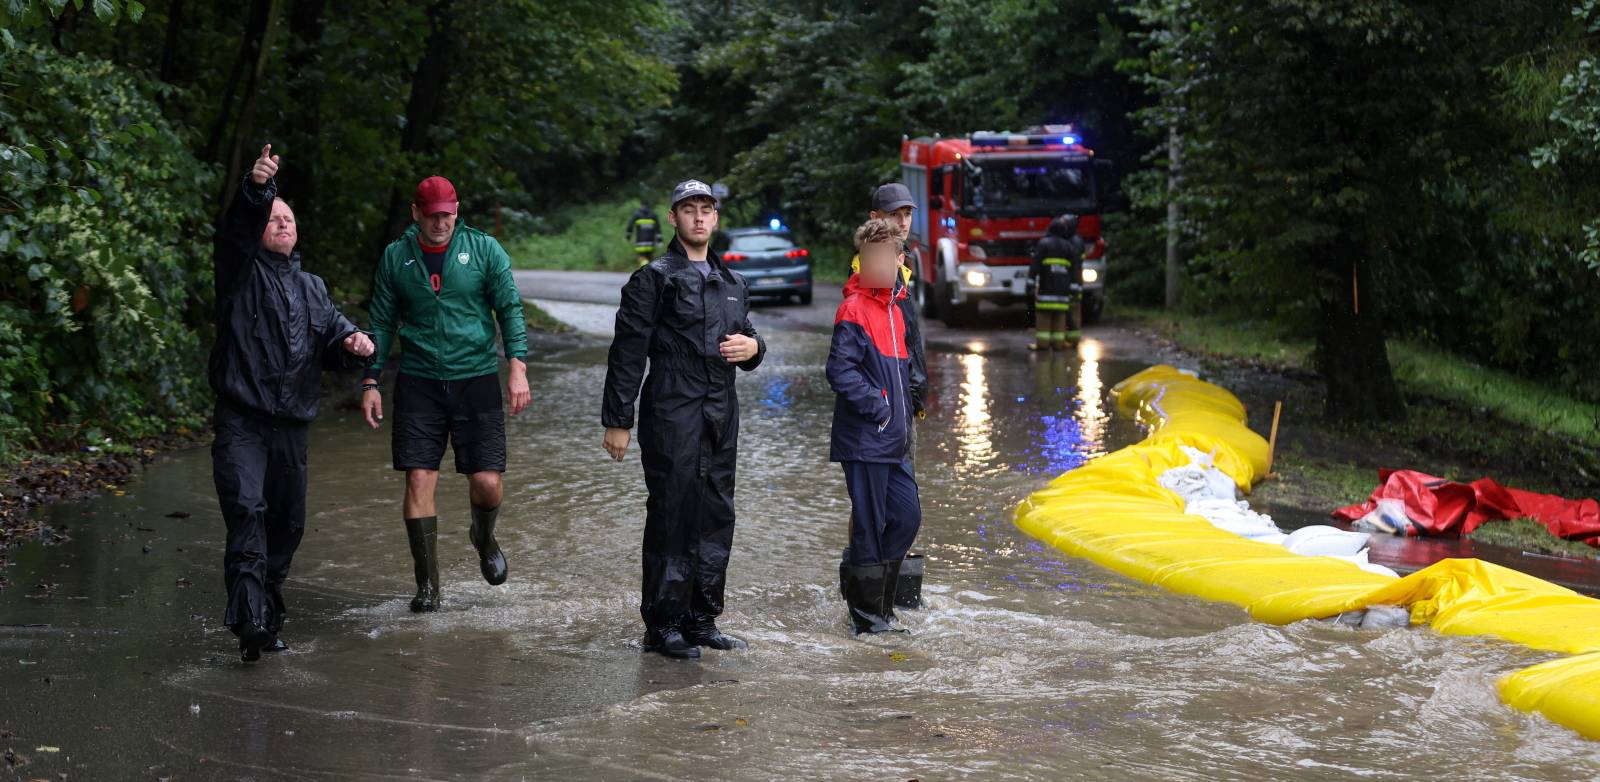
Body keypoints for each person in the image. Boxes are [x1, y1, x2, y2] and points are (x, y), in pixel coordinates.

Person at [210, 144, 375, 661]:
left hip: (293, 428)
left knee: (287, 523)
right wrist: (258, 190)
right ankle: (250, 620)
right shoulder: (238, 271)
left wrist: (354, 346)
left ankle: (269, 615)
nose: (282, 222)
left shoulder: (313, 287)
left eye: (288, 217)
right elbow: (237, 229)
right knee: (248, 511)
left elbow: (332, 338)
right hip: (242, 420)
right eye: (273, 216)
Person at [601, 179, 766, 659]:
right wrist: (618, 420)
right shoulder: (653, 278)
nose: (699, 217)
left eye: (706, 210)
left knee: (716, 514)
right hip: (672, 406)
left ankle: (701, 619)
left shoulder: (733, 283)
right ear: (673, 218)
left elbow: (749, 340)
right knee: (673, 512)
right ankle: (664, 624)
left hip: (721, 411)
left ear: (716, 219)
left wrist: (755, 349)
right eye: (689, 209)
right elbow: (628, 354)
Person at [361, 175, 532, 613]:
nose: (441, 222)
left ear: (457, 212)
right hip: (419, 381)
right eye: (432, 214)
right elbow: (381, 321)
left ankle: (483, 534)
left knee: (488, 483)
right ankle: (428, 585)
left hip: (475, 378)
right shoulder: (396, 257)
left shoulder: (483, 250)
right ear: (416, 213)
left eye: (448, 214)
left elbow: (509, 307)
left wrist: (517, 367)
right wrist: (371, 381)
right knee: (418, 477)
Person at [828, 218, 922, 634]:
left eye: (885, 256)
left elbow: (901, 374)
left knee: (907, 517)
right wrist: (881, 408)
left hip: (893, 442)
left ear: (899, 260)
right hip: (865, 440)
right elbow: (839, 371)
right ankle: (868, 618)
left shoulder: (895, 311)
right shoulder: (853, 308)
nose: (877, 264)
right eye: (870, 257)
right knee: (867, 524)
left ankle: (870, 597)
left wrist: (905, 410)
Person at [1028, 213, 1086, 350]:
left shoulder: (1045, 244)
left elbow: (1035, 266)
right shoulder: (1070, 245)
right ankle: (1059, 344)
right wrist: (1074, 288)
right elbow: (1075, 269)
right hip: (1063, 292)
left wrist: (1030, 283)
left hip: (1046, 291)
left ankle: (1044, 344)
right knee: (1062, 317)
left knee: (1046, 318)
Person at [626, 200, 661, 266]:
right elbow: (658, 228)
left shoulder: (637, 214)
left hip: (640, 242)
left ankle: (645, 267)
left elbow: (630, 226)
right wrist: (659, 240)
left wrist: (628, 237)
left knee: (641, 257)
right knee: (650, 257)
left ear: (641, 205)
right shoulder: (653, 215)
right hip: (651, 242)